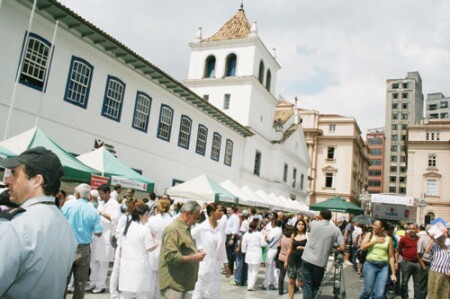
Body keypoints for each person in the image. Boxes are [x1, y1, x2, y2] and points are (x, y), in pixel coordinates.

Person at [0, 147, 77, 298]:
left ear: (37, 180)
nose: (7, 180)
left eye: (14, 174)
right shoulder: (64, 225)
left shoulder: (16, 225)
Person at [62, 183, 103, 299]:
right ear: (89, 196)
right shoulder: (93, 210)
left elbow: (59, 222)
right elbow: (98, 233)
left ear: (78, 194)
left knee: (63, 281)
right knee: (80, 284)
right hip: (84, 248)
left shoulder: (68, 205)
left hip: (67, 246)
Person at [158, 200, 206, 299]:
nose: (196, 221)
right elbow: (171, 257)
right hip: (173, 284)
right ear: (187, 214)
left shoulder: (185, 228)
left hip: (181, 283)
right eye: (195, 217)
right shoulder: (174, 229)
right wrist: (194, 257)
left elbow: (183, 249)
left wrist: (195, 253)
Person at [301, 209, 345, 299]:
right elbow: (343, 247)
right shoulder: (336, 229)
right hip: (320, 262)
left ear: (321, 216)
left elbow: (310, 230)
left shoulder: (314, 223)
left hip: (307, 258)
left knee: (307, 285)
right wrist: (333, 247)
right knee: (316, 286)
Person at [119, 201, 158, 299]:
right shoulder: (145, 230)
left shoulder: (127, 227)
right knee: (142, 293)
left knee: (126, 294)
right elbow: (149, 248)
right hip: (140, 265)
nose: (148, 217)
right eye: (147, 214)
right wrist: (156, 243)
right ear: (141, 215)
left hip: (126, 264)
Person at [191, 203, 230, 299]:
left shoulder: (220, 228)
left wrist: (225, 264)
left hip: (216, 266)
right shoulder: (202, 227)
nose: (222, 213)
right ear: (212, 212)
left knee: (215, 292)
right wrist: (198, 249)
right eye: (220, 211)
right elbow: (188, 238)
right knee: (198, 292)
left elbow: (222, 247)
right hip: (205, 265)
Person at [88, 183, 121, 294]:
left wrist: (101, 213)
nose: (100, 196)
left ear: (108, 193)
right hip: (97, 236)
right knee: (93, 261)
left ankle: (100, 285)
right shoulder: (101, 203)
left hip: (106, 236)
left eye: (102, 194)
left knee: (103, 262)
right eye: (99, 194)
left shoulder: (114, 204)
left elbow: (115, 219)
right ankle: (92, 282)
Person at [358, 219, 397, 299]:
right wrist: (375, 241)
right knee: (368, 291)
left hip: (383, 267)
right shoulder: (370, 235)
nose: (373, 226)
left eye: (376, 225)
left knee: (379, 295)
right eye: (373, 225)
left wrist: (393, 273)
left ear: (382, 228)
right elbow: (362, 247)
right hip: (370, 265)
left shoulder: (388, 239)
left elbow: (391, 256)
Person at [147, 198, 173, 299]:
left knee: (150, 278)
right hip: (166, 249)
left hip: (153, 248)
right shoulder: (172, 221)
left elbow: (147, 234)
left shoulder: (152, 220)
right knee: (162, 280)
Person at [241, 220, 267, 291]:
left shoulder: (246, 234)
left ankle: (249, 284)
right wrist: (265, 240)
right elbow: (263, 244)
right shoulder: (259, 234)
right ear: (256, 226)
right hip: (256, 254)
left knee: (250, 270)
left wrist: (244, 251)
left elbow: (243, 244)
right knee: (255, 271)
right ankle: (251, 286)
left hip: (249, 253)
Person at [285, 219, 308, 299]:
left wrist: (303, 248)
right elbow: (289, 248)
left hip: (302, 261)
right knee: (291, 281)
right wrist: (286, 260)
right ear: (296, 225)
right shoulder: (293, 235)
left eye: (302, 224)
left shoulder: (307, 235)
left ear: (305, 226)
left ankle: (307, 296)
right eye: (299, 224)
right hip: (292, 259)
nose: (301, 226)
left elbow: (311, 248)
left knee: (301, 282)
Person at [425, 231, 450, 299]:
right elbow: (427, 250)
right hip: (435, 272)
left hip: (446, 274)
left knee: (445, 293)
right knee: (433, 292)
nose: (441, 239)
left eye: (443, 237)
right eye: (439, 237)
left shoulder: (449, 247)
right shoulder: (435, 246)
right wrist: (432, 239)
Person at [398, 223, 421, 299]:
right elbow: (399, 249)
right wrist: (405, 256)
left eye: (413, 229)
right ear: (408, 230)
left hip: (417, 263)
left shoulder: (419, 239)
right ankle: (404, 297)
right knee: (404, 282)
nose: (412, 230)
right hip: (407, 262)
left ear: (416, 230)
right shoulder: (403, 239)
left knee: (417, 283)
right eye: (410, 229)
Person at [263, 218, 283, 290]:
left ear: (275, 223)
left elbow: (269, 239)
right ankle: (275, 283)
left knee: (268, 267)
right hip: (274, 249)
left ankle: (266, 283)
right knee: (273, 267)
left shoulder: (275, 230)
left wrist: (265, 237)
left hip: (271, 249)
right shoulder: (280, 230)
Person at [416, 224, 432, 299]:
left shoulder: (436, 239)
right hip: (425, 263)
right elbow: (419, 255)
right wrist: (424, 267)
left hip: (433, 265)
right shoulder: (422, 239)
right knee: (422, 286)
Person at [277, 225, 294, 295]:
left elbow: (278, 246)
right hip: (289, 258)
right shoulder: (292, 239)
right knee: (291, 275)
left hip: (281, 256)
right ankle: (294, 287)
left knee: (282, 274)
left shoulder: (282, 237)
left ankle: (280, 290)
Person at [224, 206, 240, 274]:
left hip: (231, 236)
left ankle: (229, 270)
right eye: (227, 210)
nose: (228, 211)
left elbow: (235, 228)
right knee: (226, 253)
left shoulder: (235, 218)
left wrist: (232, 239)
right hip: (226, 235)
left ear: (233, 210)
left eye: (229, 210)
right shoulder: (227, 217)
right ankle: (227, 269)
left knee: (230, 254)